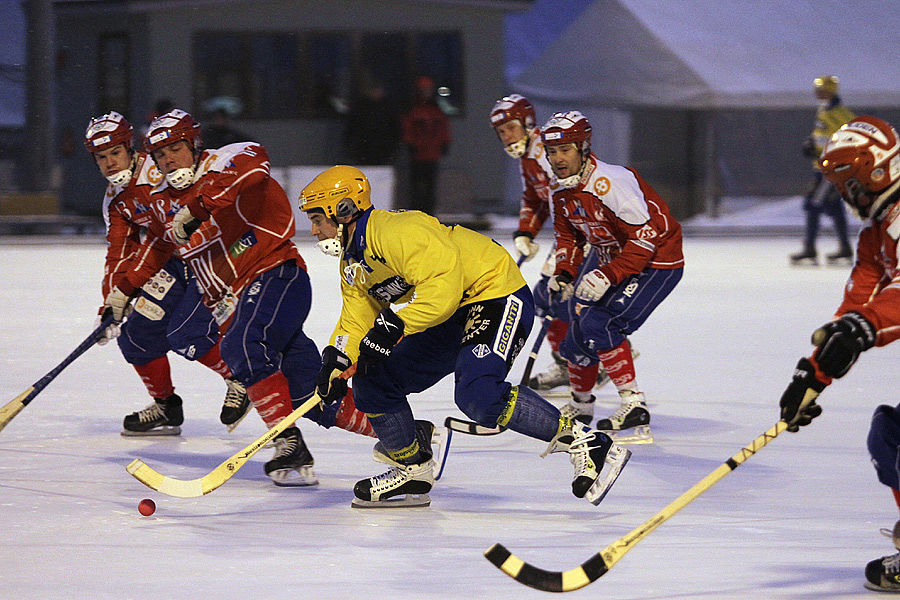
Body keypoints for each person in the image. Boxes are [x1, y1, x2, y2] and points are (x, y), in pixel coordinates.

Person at [299, 164, 630, 508]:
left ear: (344, 209)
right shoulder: (353, 261)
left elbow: (441, 290)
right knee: (373, 381)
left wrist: (394, 326)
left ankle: (584, 442)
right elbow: (356, 316)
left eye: (318, 219)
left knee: (478, 393)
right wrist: (337, 361)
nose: (314, 230)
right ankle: (412, 468)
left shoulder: (399, 231)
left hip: (493, 293)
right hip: (453, 311)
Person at [143, 109, 376, 486]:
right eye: (160, 153)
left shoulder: (227, 158)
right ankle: (406, 437)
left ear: (194, 143)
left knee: (243, 347)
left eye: (176, 147)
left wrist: (198, 206)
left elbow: (256, 162)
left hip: (277, 275)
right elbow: (159, 252)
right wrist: (121, 293)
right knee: (310, 394)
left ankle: (288, 444)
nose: (169, 158)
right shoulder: (159, 201)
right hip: (234, 301)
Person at [777, 116, 900, 592]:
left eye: (847, 184)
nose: (844, 196)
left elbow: (874, 314)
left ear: (875, 174)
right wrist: (811, 377)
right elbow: (857, 307)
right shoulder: (875, 235)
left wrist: (862, 326)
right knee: (888, 436)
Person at [83, 111, 251, 436]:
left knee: (185, 332)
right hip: (170, 263)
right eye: (101, 157)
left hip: (210, 259)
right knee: (135, 336)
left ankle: (239, 377)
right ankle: (166, 407)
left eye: (115, 152)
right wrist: (112, 301)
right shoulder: (114, 200)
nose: (110, 163)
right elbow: (119, 254)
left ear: (129, 146)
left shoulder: (164, 170)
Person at [541, 111, 684, 443]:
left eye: (565, 149)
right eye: (552, 152)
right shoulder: (561, 191)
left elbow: (647, 237)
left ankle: (633, 404)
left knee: (601, 323)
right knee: (574, 337)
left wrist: (609, 274)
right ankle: (582, 405)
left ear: (584, 147)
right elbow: (569, 237)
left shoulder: (610, 182)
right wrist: (564, 272)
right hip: (615, 260)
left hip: (657, 260)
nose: (558, 159)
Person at [489, 94, 634, 396]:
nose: (506, 136)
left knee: (551, 295)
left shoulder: (545, 151)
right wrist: (525, 232)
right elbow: (534, 197)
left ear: (526, 122)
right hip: (570, 234)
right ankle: (572, 361)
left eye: (510, 128)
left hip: (582, 234)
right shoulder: (528, 156)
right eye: (501, 131)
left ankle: (593, 356)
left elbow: (566, 199)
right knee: (549, 297)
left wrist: (574, 241)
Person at [791, 75, 856, 266]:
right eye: (818, 92)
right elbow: (823, 136)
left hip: (831, 170)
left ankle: (810, 248)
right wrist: (812, 145)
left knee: (812, 204)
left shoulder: (841, 114)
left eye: (824, 92)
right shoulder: (824, 111)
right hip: (821, 167)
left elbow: (851, 140)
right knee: (833, 207)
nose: (820, 95)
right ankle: (844, 248)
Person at [400, 76, 451, 215]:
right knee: (416, 186)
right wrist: (410, 144)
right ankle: (416, 212)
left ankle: (428, 213)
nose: (425, 92)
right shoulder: (413, 109)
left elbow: (443, 128)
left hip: (432, 153)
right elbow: (408, 128)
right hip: (418, 153)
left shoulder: (436, 109)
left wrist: (445, 143)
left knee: (430, 186)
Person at [344, 78, 400, 165]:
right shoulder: (360, 108)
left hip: (384, 149)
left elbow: (395, 130)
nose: (375, 92)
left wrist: (393, 148)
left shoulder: (389, 108)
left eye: (377, 89)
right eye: (373, 89)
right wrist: (351, 146)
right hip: (363, 149)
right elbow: (352, 128)